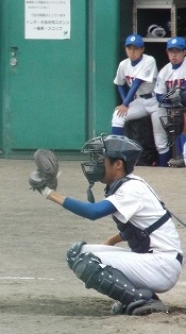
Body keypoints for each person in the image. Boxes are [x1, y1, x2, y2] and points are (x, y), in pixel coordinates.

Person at [33, 134, 183, 315]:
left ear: (118, 164)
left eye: (100, 159)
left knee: (87, 260)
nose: (95, 163)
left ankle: (143, 300)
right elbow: (137, 230)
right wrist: (110, 242)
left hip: (162, 266)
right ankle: (139, 296)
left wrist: (48, 193)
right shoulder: (128, 185)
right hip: (155, 262)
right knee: (77, 253)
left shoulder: (131, 189)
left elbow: (93, 212)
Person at [110, 34, 170, 167]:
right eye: (129, 48)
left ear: (142, 49)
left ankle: (164, 169)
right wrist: (125, 101)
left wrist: (125, 103)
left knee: (160, 141)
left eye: (135, 48)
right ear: (125, 49)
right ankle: (115, 157)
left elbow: (137, 83)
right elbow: (119, 83)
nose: (132, 51)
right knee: (117, 116)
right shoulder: (123, 64)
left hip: (155, 101)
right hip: (140, 101)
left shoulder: (149, 60)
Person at [154, 36, 186, 168]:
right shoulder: (164, 71)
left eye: (177, 51)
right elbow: (159, 96)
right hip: (176, 107)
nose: (174, 54)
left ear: (184, 52)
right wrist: (172, 102)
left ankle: (182, 156)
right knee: (176, 117)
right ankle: (180, 156)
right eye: (171, 51)